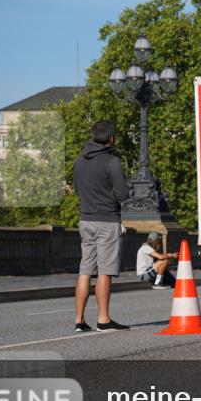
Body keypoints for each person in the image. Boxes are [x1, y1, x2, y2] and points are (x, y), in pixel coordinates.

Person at [72, 120, 131, 332]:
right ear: (111, 138)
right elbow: (123, 194)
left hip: (85, 219)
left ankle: (79, 320)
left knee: (85, 270)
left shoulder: (79, 161)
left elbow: (78, 189)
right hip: (107, 220)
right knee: (105, 271)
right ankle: (103, 319)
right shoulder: (112, 161)